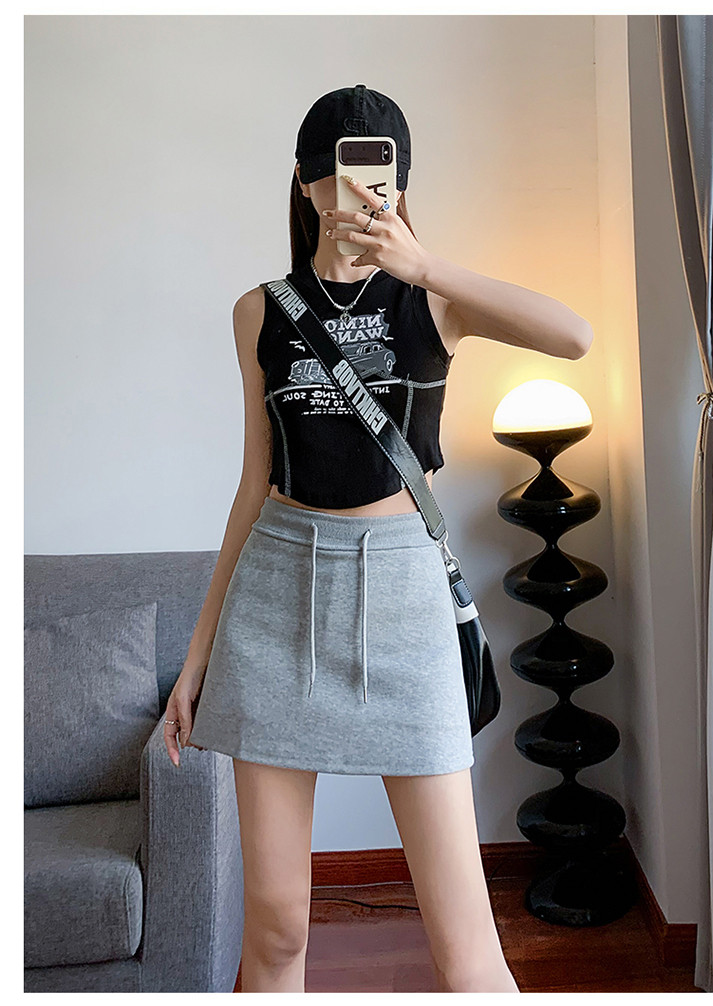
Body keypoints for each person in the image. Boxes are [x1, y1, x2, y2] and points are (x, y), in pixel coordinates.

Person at [163, 84, 593, 994]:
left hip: (404, 599)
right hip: (276, 597)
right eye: (337, 169)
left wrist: (426, 264)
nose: (357, 189)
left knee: (466, 946)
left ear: (400, 181)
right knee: (278, 926)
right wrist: (197, 661)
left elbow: (575, 336)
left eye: (378, 168)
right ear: (305, 181)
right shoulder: (259, 312)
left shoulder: (432, 302)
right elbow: (252, 486)